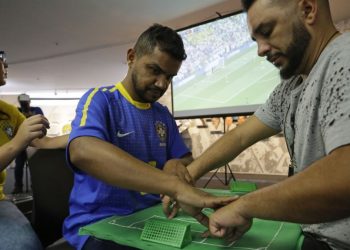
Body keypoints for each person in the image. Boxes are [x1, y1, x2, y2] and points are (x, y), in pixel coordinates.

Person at [178, 0, 350, 249]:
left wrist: (244, 206)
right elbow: (240, 137)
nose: (260, 50)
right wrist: (187, 179)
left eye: (267, 31)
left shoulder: (344, 59)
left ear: (308, 9)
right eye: (255, 39)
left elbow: (344, 174)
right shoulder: (290, 87)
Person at [63, 24, 236, 250]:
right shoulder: (100, 99)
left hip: (153, 216)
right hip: (97, 224)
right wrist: (175, 187)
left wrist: (175, 163)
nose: (162, 83)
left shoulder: (163, 115)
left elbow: (184, 159)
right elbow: (82, 151)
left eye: (170, 76)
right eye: (154, 70)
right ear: (131, 57)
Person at [0, 50, 68, 250]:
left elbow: (42, 142)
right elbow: (21, 140)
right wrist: (17, 142)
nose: (5, 65)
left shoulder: (9, 113)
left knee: (26, 246)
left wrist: (86, 134)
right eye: (2, 60)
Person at [12, 93, 44, 194]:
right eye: (23, 102)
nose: (25, 104)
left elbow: (42, 121)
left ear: (29, 101)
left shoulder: (37, 109)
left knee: (36, 166)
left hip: (35, 142)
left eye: (26, 101)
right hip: (21, 142)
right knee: (19, 165)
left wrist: (30, 115)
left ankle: (36, 186)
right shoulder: (16, 111)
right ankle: (18, 186)